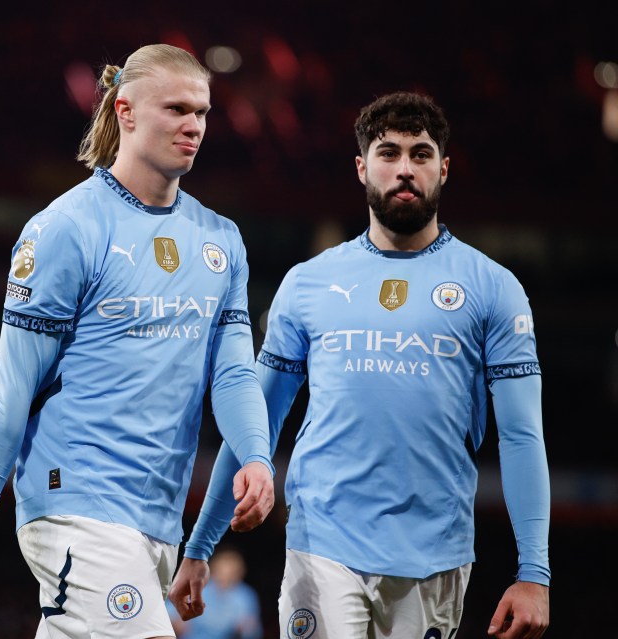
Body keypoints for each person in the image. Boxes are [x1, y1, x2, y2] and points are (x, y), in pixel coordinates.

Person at [0, 43, 276, 638]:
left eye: (202, 112)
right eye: (176, 109)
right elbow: (13, 387)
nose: (194, 126)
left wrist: (253, 454)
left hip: (159, 515)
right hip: (76, 499)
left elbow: (233, 373)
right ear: (125, 110)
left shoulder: (220, 238)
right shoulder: (64, 229)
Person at [169, 91, 551, 639]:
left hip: (434, 555)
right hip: (322, 545)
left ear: (444, 169)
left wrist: (534, 572)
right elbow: (255, 424)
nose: (403, 168)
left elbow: (521, 435)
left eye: (420, 155)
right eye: (388, 152)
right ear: (361, 167)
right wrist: (200, 545)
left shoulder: (493, 288)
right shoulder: (307, 284)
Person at [166, 546, 263, 639]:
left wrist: (248, 629)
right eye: (223, 570)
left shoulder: (245, 595)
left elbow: (254, 631)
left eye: (232, 572)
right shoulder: (193, 587)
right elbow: (167, 612)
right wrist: (174, 621)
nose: (226, 576)